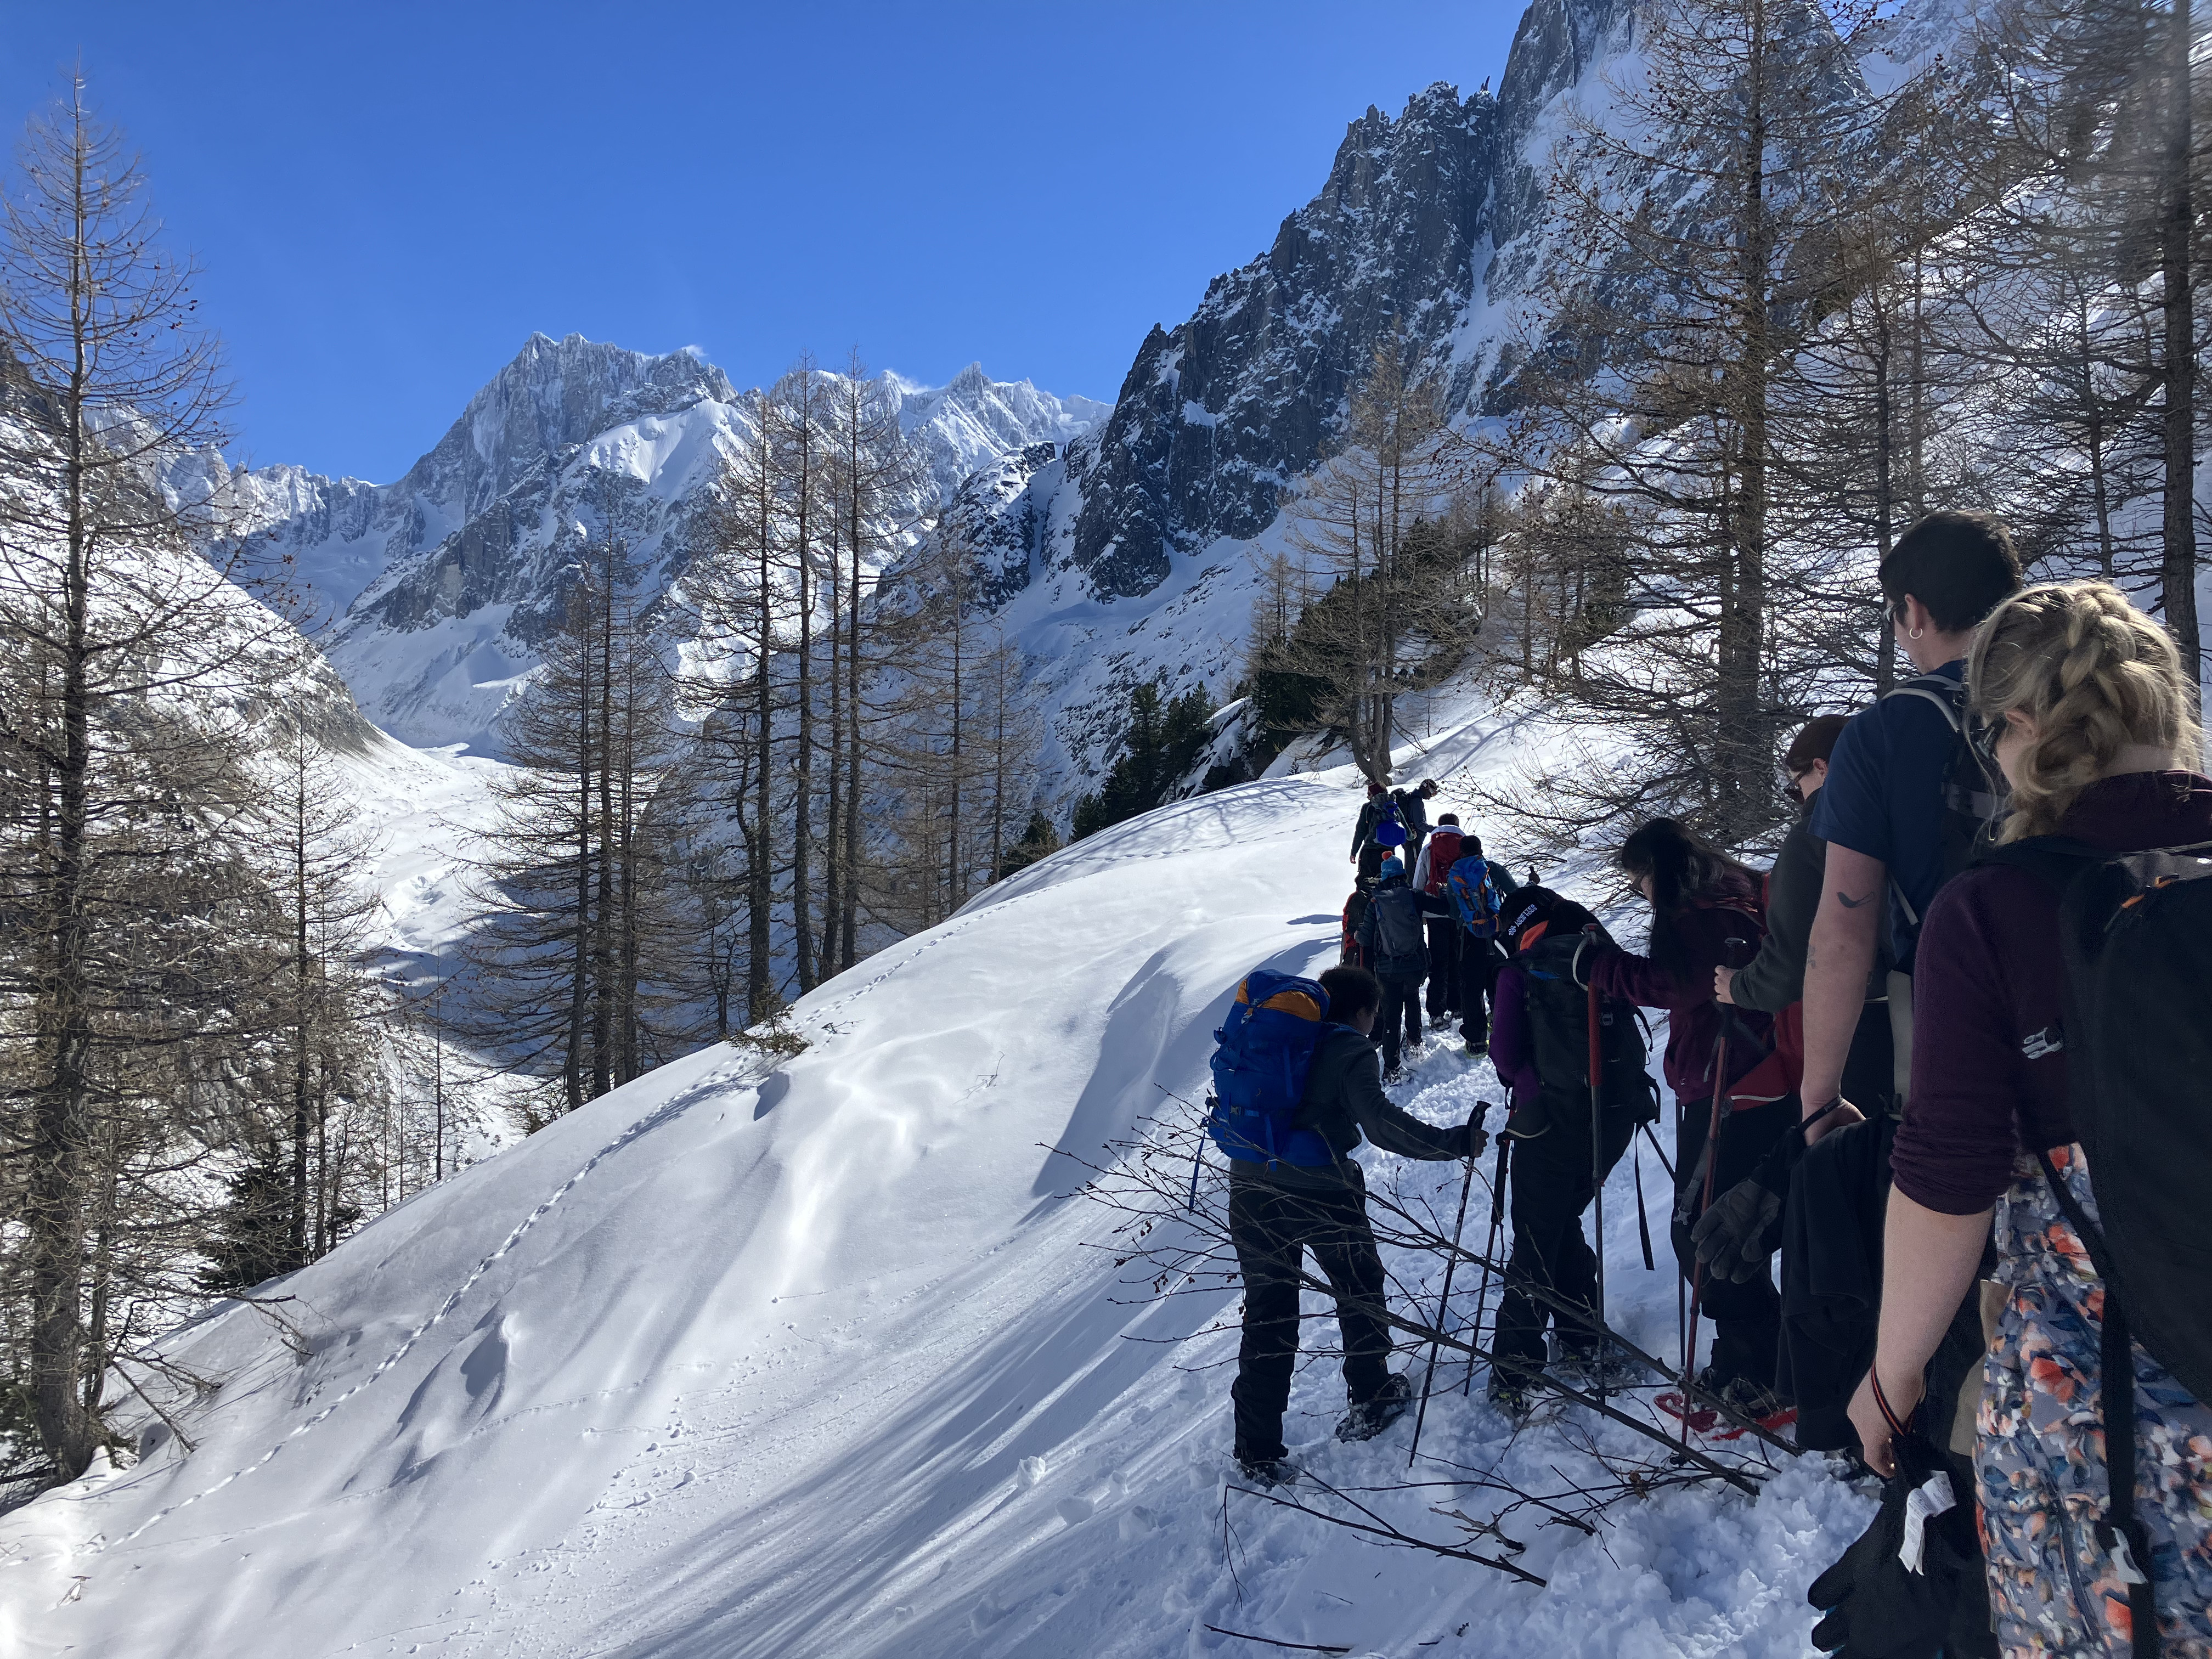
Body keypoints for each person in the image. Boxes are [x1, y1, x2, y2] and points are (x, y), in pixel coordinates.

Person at [1847, 582, 2211, 1655]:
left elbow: (1947, 1176)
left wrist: (1892, 1375)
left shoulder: (1994, 908)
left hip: (2113, 1435)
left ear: (2017, 728)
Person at [1798, 511, 2024, 1141]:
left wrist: (1820, 1094)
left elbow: (1843, 933)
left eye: (1895, 617)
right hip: (2111, 1016)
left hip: (1959, 1030)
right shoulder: (2088, 697)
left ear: (1914, 611)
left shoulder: (1882, 735)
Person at [1230, 963, 1488, 1483]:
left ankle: (1256, 1450)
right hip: (1322, 1189)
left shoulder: (1280, 1039)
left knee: (1268, 1313)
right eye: (1375, 1014)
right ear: (1364, 1011)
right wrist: (1454, 1143)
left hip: (1250, 1186)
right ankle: (1372, 1394)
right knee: (1358, 1288)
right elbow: (1381, 1125)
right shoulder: (1350, 1049)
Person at [1584, 819, 1791, 1416]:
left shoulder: (1706, 915)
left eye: (1639, 881)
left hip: (1732, 1084)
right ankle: (1752, 1362)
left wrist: (1600, 967)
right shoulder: (1730, 894)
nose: (1640, 892)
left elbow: (1675, 984)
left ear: (1659, 871)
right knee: (1718, 1229)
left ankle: (1765, 1374)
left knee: (1707, 1233)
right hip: (1741, 1079)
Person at [1485, 885, 1657, 1411]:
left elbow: (1505, 1055)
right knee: (1564, 1222)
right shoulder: (1599, 955)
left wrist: (1531, 1089)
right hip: (1609, 1123)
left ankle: (1515, 1370)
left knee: (1536, 1240)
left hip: (1547, 1128)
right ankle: (1583, 1340)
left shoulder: (1520, 971)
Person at [1716, 713, 1894, 1111]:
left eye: (1796, 788)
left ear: (1821, 767)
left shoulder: (1816, 836)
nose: (1798, 799)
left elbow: (1793, 961)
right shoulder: (1915, 813)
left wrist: (1737, 988)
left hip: (1868, 1028)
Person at [1355, 854, 1428, 1079]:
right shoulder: (1414, 896)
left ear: (1384, 876)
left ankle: (1391, 1067)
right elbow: (1443, 908)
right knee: (1412, 998)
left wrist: (1357, 934)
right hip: (1415, 965)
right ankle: (1414, 1041)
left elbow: (1365, 939)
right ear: (1402, 874)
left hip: (1388, 970)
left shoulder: (1376, 901)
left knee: (1392, 1015)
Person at [1413, 813, 1468, 1026]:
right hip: (1461, 912)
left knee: (1438, 961)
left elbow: (1419, 882)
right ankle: (1458, 1006)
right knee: (1457, 958)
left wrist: (1420, 911)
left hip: (1435, 912)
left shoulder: (1429, 849)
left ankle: (1436, 1012)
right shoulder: (1465, 846)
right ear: (1457, 826)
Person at [1391, 778, 1441, 859]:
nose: (1431, 797)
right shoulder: (1417, 803)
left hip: (1409, 837)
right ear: (1426, 789)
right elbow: (1420, 825)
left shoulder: (1412, 798)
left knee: (1412, 862)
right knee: (1413, 864)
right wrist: (1438, 830)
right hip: (1414, 840)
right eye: (1432, 793)